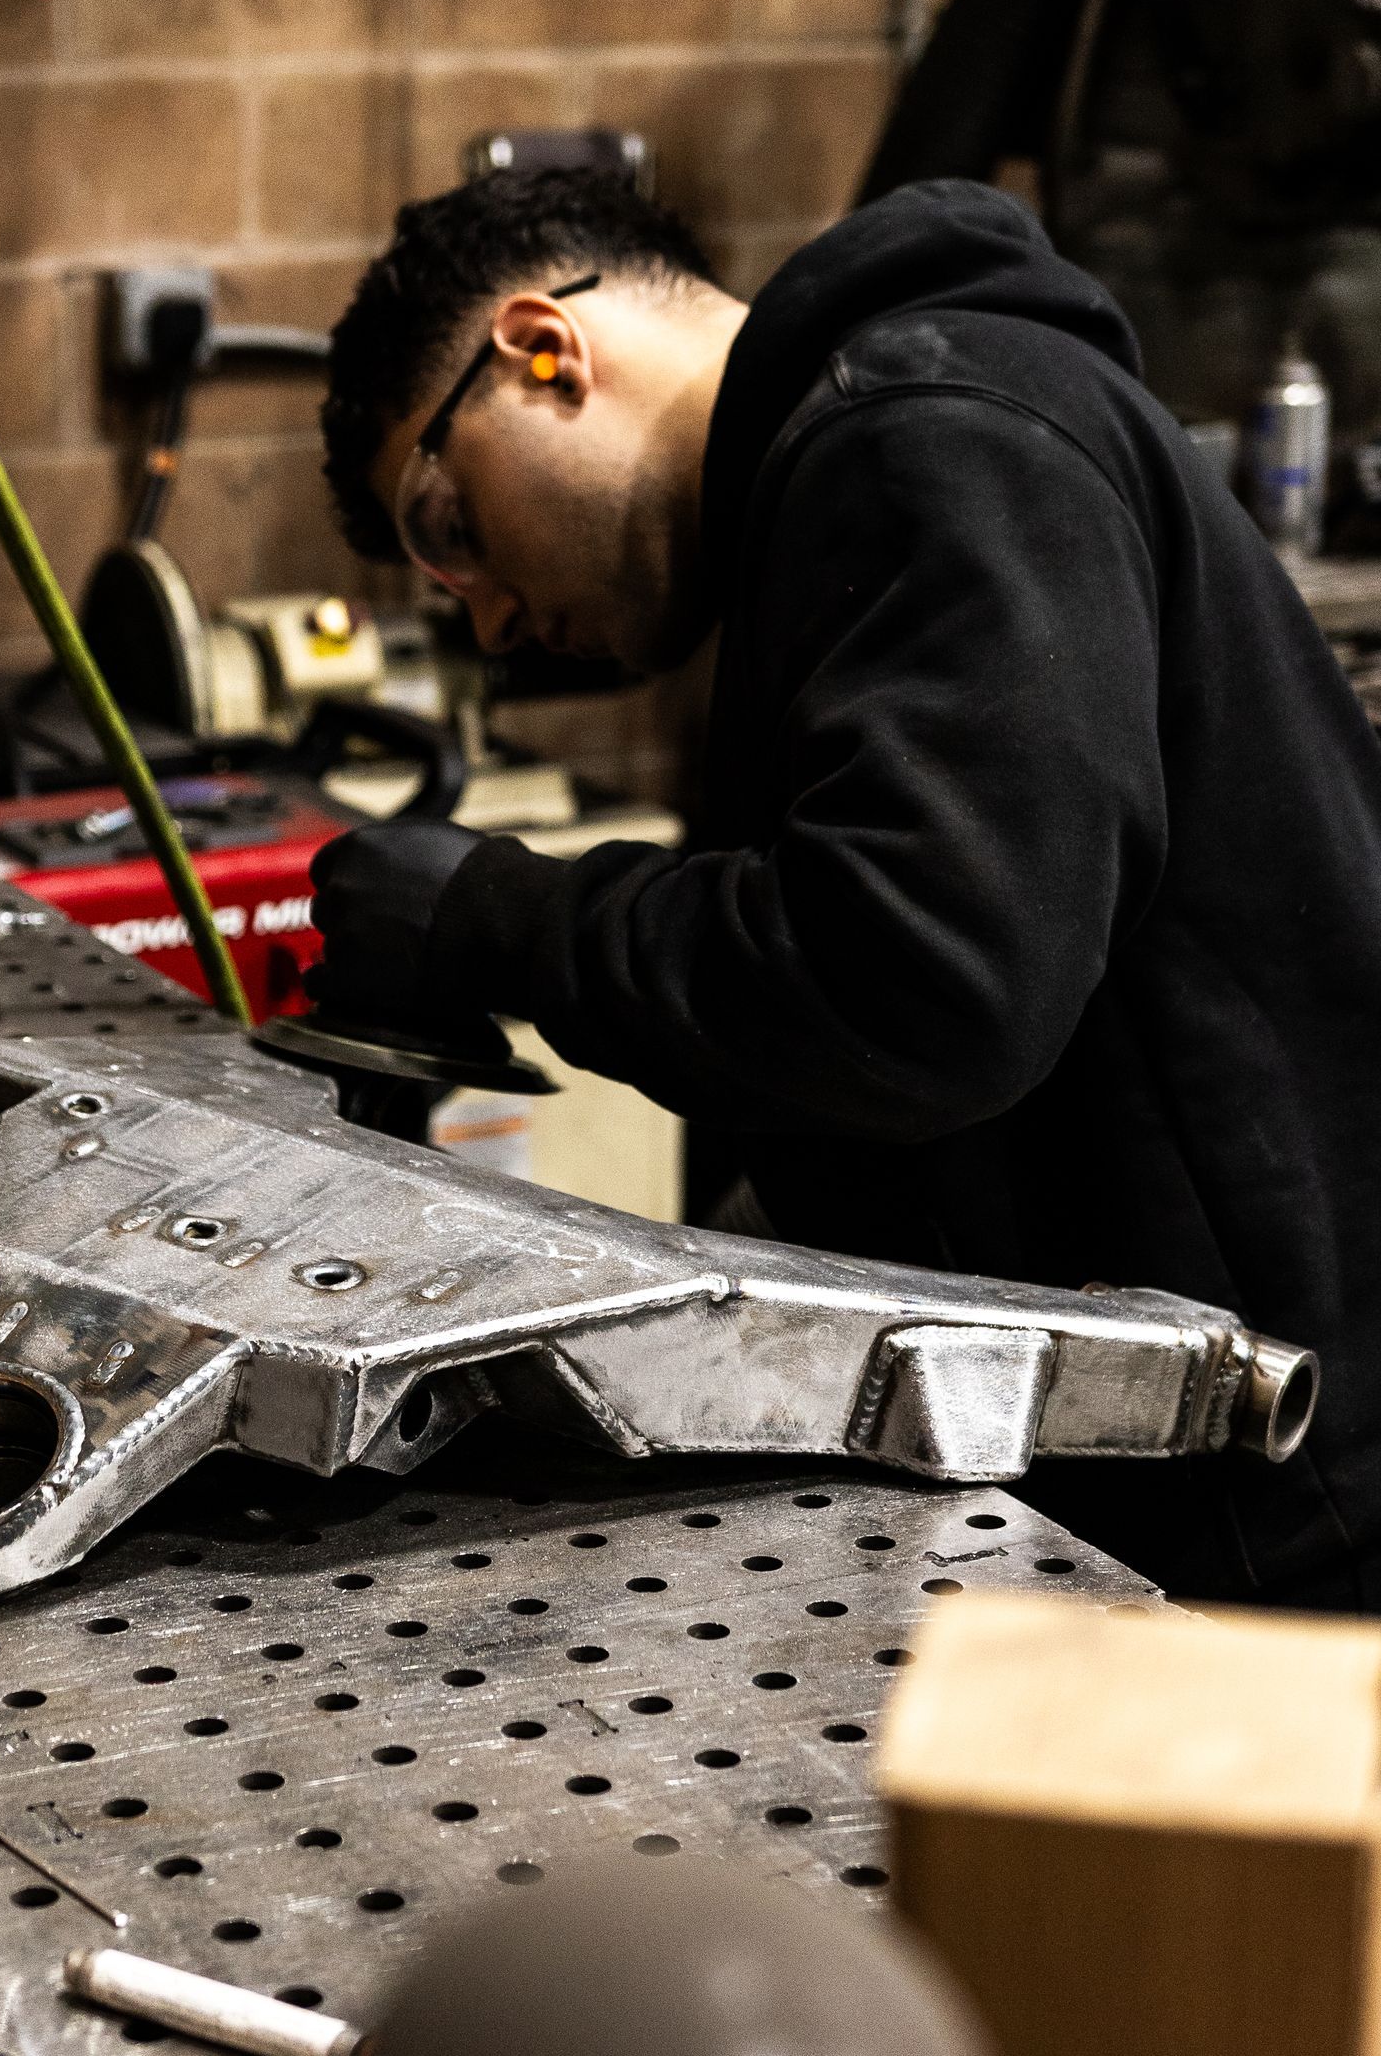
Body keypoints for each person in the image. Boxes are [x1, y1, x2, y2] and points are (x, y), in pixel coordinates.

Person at [310, 170, 1381, 1610]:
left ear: (540, 351)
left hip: (1282, 1501)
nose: (491, 614)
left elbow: (927, 980)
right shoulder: (853, 467)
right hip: (1205, 1467)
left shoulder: (929, 439)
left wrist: (495, 921)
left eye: (449, 527)